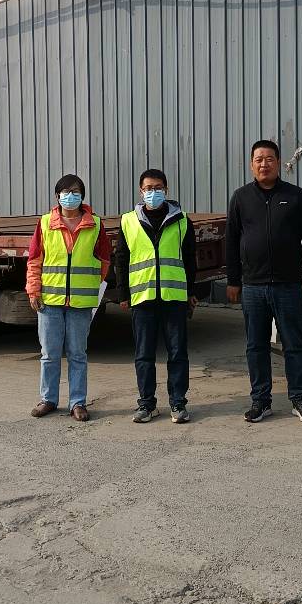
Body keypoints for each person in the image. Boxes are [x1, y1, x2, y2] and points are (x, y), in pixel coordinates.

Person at [225, 140, 302, 424]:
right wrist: (233, 280)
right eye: (258, 159)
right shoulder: (241, 197)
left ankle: (300, 400)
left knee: (294, 344)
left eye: (269, 159)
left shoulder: (295, 196)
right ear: (251, 165)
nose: (263, 164)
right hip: (253, 287)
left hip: (288, 285)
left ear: (278, 163)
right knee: (256, 346)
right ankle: (261, 401)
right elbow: (231, 242)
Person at [114, 169, 198, 424]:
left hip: (174, 296)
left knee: (177, 353)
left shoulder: (182, 220)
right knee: (144, 354)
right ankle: (146, 404)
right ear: (141, 192)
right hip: (143, 296)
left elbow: (189, 259)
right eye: (149, 188)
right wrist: (123, 293)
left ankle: (178, 403)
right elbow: (121, 259)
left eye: (158, 187)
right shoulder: (128, 221)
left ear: (166, 190)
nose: (153, 192)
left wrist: (191, 292)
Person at [26, 173, 111, 422]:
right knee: (49, 355)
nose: (70, 196)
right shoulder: (45, 223)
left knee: (78, 355)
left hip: (80, 303)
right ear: (57, 196)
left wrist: (89, 285)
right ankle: (48, 400)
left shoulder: (95, 224)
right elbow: (35, 259)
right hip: (49, 301)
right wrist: (34, 290)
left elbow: (104, 260)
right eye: (66, 192)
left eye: (75, 192)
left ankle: (78, 403)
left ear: (82, 196)